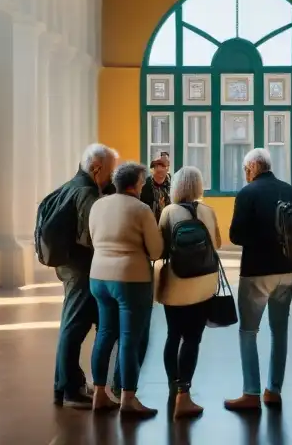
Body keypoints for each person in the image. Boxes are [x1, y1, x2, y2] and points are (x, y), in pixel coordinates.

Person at [225, 148, 292, 412]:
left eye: (245, 169)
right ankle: (274, 391)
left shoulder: (247, 193)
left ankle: (250, 393)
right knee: (279, 330)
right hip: (289, 270)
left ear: (251, 168)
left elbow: (236, 235)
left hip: (257, 271)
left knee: (249, 331)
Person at [88, 161, 164, 417]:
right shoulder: (141, 209)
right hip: (131, 279)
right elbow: (156, 251)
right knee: (130, 339)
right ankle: (128, 399)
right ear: (137, 183)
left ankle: (99, 394)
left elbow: (92, 238)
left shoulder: (98, 205)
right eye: (143, 182)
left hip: (98, 277)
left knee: (105, 333)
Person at [53, 143, 118, 408]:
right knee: (74, 326)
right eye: (110, 172)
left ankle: (69, 383)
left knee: (75, 324)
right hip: (82, 267)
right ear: (96, 168)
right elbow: (93, 235)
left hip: (72, 265)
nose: (112, 177)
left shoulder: (70, 186)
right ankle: (68, 388)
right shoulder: (87, 193)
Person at [156, 166, 222, 420]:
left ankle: (173, 387)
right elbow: (215, 244)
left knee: (173, 335)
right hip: (203, 284)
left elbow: (161, 248)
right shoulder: (207, 211)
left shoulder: (168, 212)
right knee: (193, 338)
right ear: (198, 186)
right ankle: (185, 394)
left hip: (176, 282)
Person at [140, 154, 171, 221]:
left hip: (168, 225)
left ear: (168, 167)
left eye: (162, 165)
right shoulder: (144, 185)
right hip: (149, 224)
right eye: (156, 165)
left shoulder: (173, 183)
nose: (159, 168)